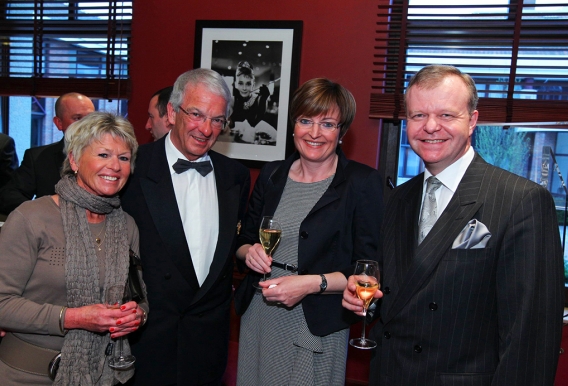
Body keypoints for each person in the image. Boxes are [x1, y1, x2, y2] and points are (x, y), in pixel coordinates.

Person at [342, 64, 564, 385]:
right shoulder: (397, 199)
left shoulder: (521, 200)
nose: (431, 127)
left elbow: (530, 337)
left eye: (446, 115)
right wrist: (364, 304)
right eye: (418, 116)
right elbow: (396, 295)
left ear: (472, 120)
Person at [234, 78, 384, 385]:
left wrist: (311, 284)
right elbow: (242, 241)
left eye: (327, 124)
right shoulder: (272, 174)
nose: (315, 133)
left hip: (315, 322)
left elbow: (368, 270)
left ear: (341, 132)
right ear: (293, 126)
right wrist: (250, 253)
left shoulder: (361, 182)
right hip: (260, 315)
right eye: (306, 121)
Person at [121, 68, 250, 386]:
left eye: (217, 119)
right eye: (196, 114)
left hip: (207, 344)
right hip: (146, 339)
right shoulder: (132, 168)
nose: (206, 128)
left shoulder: (235, 175)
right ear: (171, 111)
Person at [0, 111, 148, 385]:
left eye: (124, 158)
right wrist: (73, 318)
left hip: (104, 374)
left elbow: (139, 296)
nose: (115, 166)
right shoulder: (31, 217)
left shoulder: (127, 225)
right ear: (74, 160)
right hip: (24, 376)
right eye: (103, 155)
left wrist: (137, 316)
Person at [0, 92, 95, 215]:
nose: (86, 125)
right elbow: (9, 197)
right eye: (77, 118)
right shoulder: (38, 157)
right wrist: (44, 212)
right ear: (59, 123)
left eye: (91, 118)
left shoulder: (114, 157)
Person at [229, 61, 277, 144]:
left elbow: (259, 120)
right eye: (241, 83)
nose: (244, 88)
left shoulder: (258, 98)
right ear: (236, 84)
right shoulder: (232, 100)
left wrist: (264, 98)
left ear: (253, 85)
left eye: (248, 84)